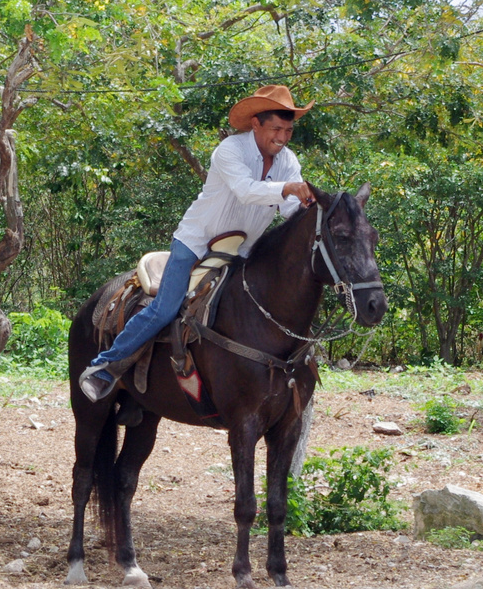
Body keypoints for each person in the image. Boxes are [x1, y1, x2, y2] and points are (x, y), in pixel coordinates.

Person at [79, 84, 318, 401]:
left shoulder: (288, 161)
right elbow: (246, 190)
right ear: (256, 123)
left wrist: (311, 209)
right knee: (164, 310)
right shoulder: (230, 150)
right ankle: (105, 368)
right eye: (276, 128)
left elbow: (289, 209)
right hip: (196, 244)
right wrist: (289, 188)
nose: (283, 137)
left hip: (242, 253)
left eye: (288, 130)